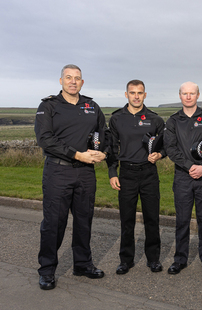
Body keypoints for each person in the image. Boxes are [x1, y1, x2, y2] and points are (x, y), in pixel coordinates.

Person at [34, 64, 109, 290]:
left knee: (84, 220)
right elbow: (45, 139)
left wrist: (103, 152)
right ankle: (47, 271)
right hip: (58, 171)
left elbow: (104, 134)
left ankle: (83, 264)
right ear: (61, 81)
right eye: (69, 77)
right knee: (53, 224)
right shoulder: (48, 106)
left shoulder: (91, 106)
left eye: (77, 78)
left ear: (82, 82)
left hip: (86, 173)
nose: (73, 81)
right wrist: (76, 154)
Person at [107, 80, 165, 275]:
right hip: (127, 174)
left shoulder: (155, 119)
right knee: (127, 219)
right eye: (132, 92)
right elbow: (112, 148)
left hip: (149, 173)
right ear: (126, 95)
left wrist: (160, 154)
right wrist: (112, 172)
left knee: (152, 218)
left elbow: (165, 145)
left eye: (140, 93)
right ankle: (126, 260)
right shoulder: (116, 119)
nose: (136, 96)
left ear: (145, 95)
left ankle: (154, 259)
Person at [164, 81, 202, 274]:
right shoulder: (173, 121)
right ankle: (180, 259)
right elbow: (170, 149)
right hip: (182, 177)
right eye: (185, 93)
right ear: (180, 96)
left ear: (198, 95)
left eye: (192, 93)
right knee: (182, 220)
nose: (188, 97)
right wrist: (189, 166)